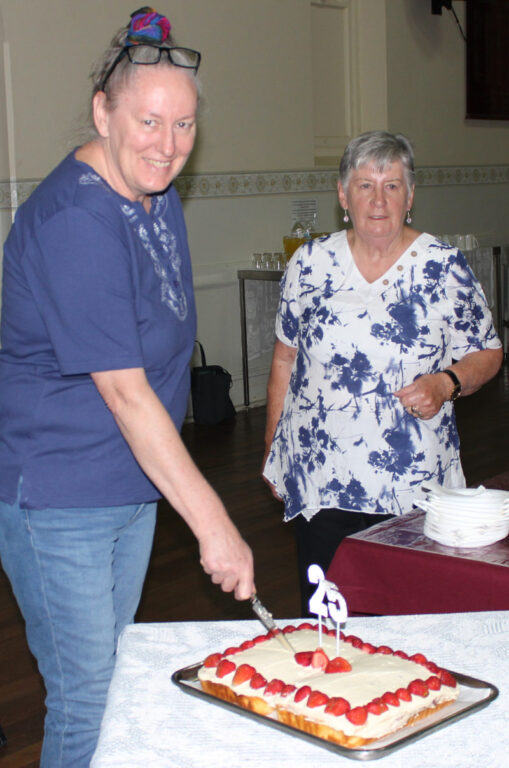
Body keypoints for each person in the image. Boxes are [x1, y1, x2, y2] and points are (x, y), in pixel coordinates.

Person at [0, 8, 254, 767]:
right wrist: (214, 522)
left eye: (183, 126)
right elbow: (125, 392)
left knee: (120, 683)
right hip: (57, 496)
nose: (168, 145)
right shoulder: (74, 218)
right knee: (89, 698)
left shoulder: (156, 195)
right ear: (102, 111)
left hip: (128, 483)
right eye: (148, 121)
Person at [262, 130, 503, 616]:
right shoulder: (309, 264)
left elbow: (488, 353)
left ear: (410, 196)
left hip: (412, 484)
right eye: (365, 184)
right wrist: (273, 447)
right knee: (331, 624)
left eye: (391, 185)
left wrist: (446, 383)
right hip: (323, 476)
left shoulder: (442, 267)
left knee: (412, 622)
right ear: (342, 194)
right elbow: (285, 358)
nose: (378, 199)